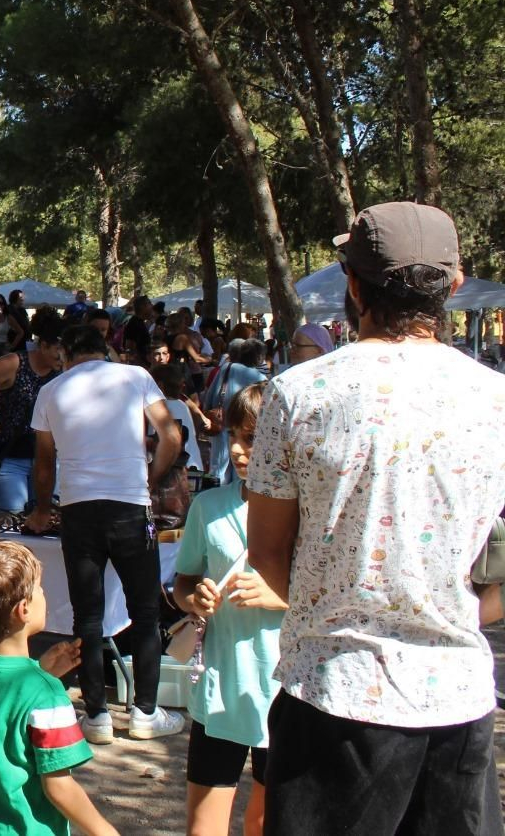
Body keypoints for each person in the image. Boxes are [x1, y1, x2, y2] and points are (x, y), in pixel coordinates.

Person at [246, 202, 505, 836]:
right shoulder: (495, 399)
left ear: (352, 284)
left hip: (334, 696)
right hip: (458, 703)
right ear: (456, 282)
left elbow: (268, 553)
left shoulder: (298, 394)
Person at [26, 324, 185, 744]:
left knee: (87, 616)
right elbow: (171, 434)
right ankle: (145, 711)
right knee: (146, 611)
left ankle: (95, 714)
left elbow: (43, 463)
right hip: (130, 506)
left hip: (78, 509)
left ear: (66, 354)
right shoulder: (134, 376)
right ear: (106, 352)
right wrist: (150, 481)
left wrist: (43, 508)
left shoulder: (52, 390)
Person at [0, 540, 115, 836]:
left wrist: (38, 671)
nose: (44, 594)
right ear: (23, 609)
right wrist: (105, 831)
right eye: (39, 589)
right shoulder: (46, 694)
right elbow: (59, 786)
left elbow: (0, 704)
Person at [171, 383, 281, 836]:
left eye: (252, 438)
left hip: (287, 692)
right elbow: (183, 582)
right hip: (220, 686)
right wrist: (192, 598)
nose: (237, 448)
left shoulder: (311, 512)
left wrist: (281, 595)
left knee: (268, 819)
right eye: (233, 435)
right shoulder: (208, 506)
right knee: (204, 822)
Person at [0, 309, 65, 512]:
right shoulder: (16, 363)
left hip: (49, 460)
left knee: (48, 523)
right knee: (11, 525)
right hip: (9, 459)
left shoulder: (65, 370)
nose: (62, 356)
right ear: (43, 345)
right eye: (58, 349)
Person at [200, 338, 267, 485]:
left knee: (219, 468)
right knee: (241, 468)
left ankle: (217, 498)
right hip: (245, 430)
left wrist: (209, 413)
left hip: (221, 424)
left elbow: (209, 395)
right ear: (259, 357)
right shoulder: (260, 378)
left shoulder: (227, 368)